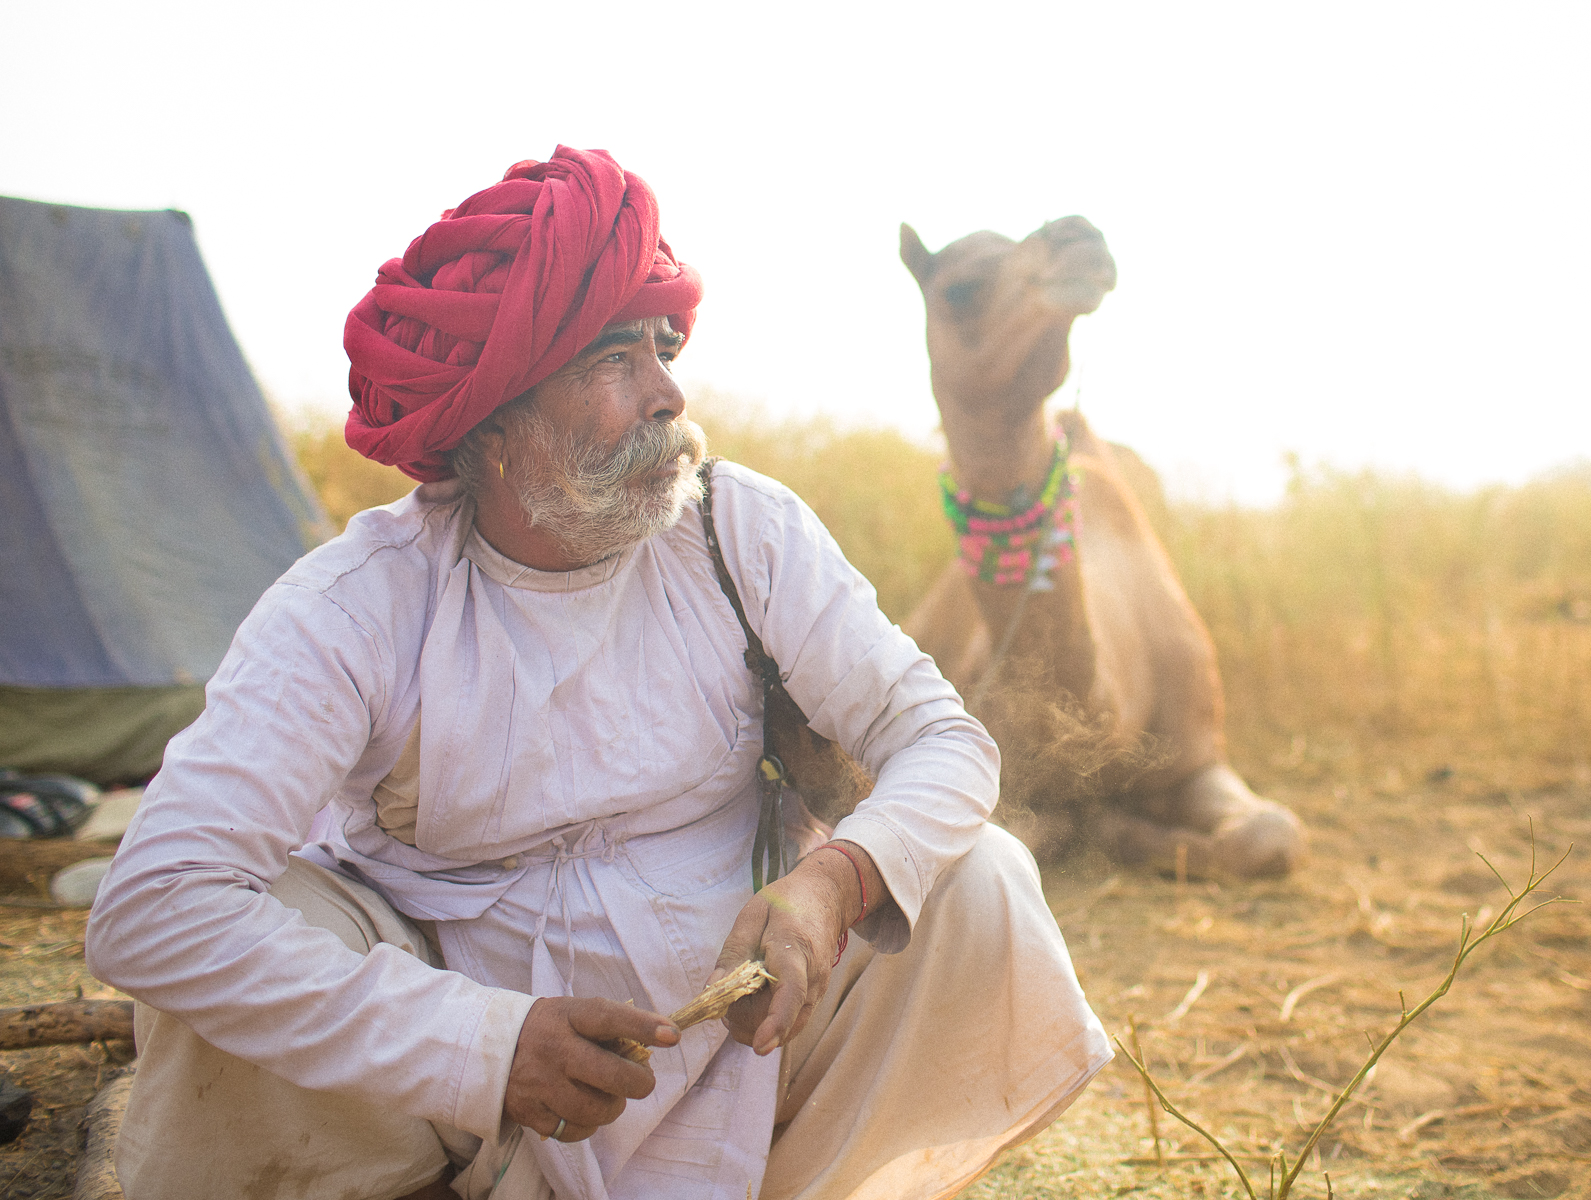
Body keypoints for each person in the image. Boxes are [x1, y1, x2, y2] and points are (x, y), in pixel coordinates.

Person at [86, 146, 1110, 1200]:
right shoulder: (357, 605)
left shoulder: (738, 535)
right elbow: (155, 905)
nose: (669, 392)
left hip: (748, 1042)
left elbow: (941, 739)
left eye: (664, 346)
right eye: (614, 359)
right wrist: (484, 1048)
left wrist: (832, 881)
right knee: (265, 934)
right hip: (450, 1095)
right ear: (495, 417)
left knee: (979, 880)